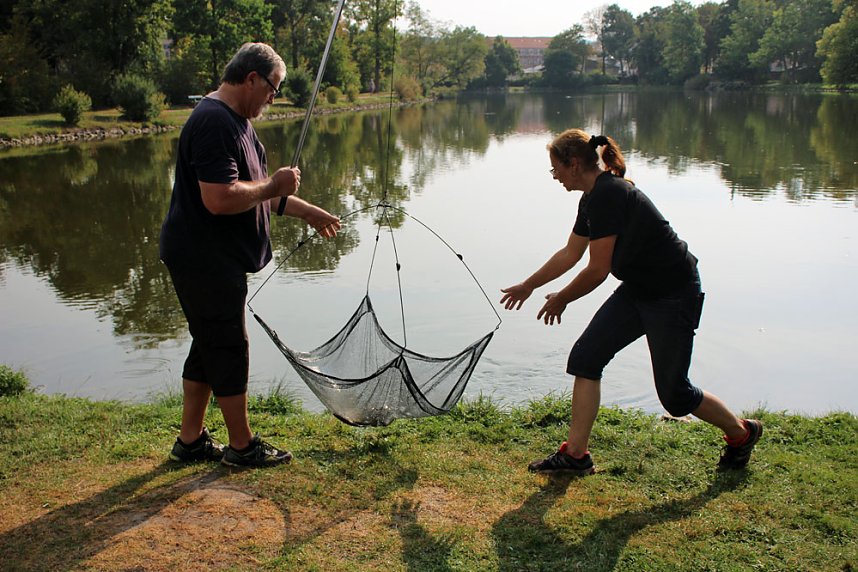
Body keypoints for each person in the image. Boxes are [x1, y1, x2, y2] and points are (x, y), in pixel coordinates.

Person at [500, 128, 761, 475]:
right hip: (638, 290)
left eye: (556, 169)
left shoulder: (609, 194)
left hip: (673, 293)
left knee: (676, 396)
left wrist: (562, 298)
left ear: (574, 164)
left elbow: (597, 270)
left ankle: (742, 434)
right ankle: (576, 456)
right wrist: (528, 285)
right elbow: (571, 253)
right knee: (586, 357)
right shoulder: (592, 198)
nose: (555, 177)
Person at [159, 43, 341, 467]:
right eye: (273, 89)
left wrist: (307, 211)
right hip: (203, 257)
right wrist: (274, 186)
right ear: (251, 78)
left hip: (214, 256)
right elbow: (221, 199)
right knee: (228, 346)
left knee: (208, 344)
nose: (273, 98)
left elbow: (258, 194)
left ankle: (191, 441)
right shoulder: (213, 121)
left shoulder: (238, 123)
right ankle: (241, 447)